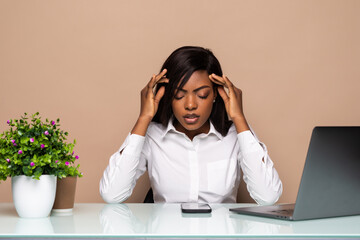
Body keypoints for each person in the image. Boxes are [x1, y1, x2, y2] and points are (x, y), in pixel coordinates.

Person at [100, 46, 282, 204]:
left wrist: (239, 118)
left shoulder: (235, 136)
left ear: (216, 94)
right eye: (179, 95)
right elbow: (112, 194)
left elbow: (268, 197)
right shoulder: (153, 135)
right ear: (168, 95)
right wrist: (144, 118)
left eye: (201, 95)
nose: (190, 105)